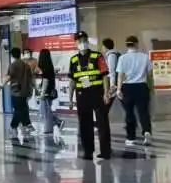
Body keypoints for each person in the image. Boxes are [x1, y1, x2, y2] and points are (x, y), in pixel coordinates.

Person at [67, 33, 113, 162]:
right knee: (84, 124)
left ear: (87, 41)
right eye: (79, 41)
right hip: (82, 94)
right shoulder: (73, 60)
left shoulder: (97, 56)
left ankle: (105, 151)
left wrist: (106, 93)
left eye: (84, 40)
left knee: (102, 122)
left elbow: (105, 75)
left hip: (97, 93)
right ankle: (88, 151)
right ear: (76, 43)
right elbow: (72, 81)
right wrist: (70, 99)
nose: (82, 43)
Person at [115, 35, 153, 142]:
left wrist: (118, 89)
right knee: (143, 112)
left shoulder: (122, 58)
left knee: (129, 112)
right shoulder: (145, 57)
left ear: (127, 45)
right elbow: (150, 75)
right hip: (142, 86)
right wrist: (150, 88)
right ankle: (146, 131)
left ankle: (131, 136)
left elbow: (120, 75)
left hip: (127, 88)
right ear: (136, 44)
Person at [5, 46, 35, 141]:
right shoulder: (26, 66)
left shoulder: (13, 65)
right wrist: (32, 90)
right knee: (22, 108)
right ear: (20, 54)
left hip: (16, 92)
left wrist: (1, 85)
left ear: (12, 55)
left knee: (18, 109)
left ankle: (16, 126)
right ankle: (26, 124)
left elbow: (9, 77)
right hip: (25, 91)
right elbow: (31, 79)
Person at [34, 49, 59, 141]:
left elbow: (45, 81)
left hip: (46, 92)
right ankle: (57, 121)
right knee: (46, 110)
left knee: (45, 111)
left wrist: (42, 93)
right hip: (50, 91)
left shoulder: (45, 69)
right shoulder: (49, 67)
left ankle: (48, 129)